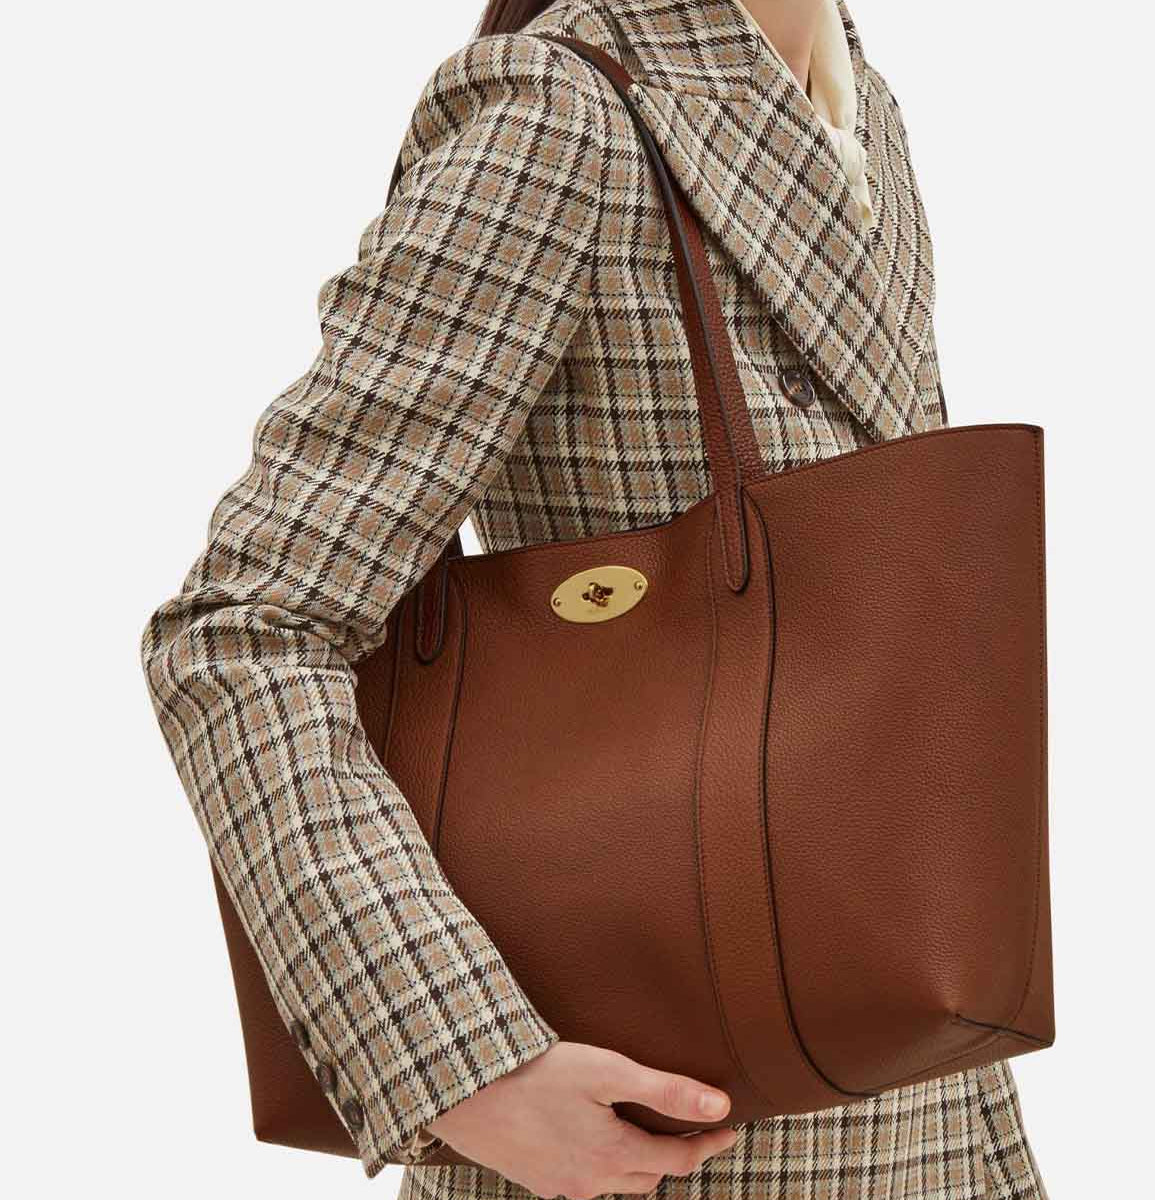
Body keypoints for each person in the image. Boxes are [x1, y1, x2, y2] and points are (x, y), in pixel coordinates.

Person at [140, 1, 1047, 1197]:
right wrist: (461, 1058)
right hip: (654, 1130)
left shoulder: (852, 103)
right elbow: (243, 633)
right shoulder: (558, 114)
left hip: (918, 1111)